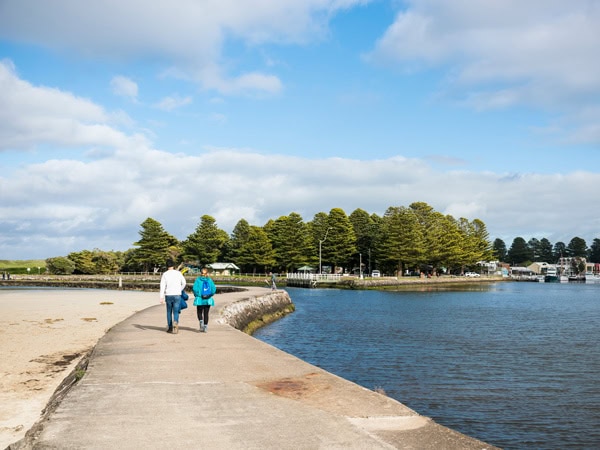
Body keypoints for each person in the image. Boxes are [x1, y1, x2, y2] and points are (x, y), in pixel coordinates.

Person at [159, 260, 186, 334]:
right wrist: (179, 290)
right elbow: (184, 283)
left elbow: (162, 286)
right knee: (176, 311)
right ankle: (176, 322)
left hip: (168, 295)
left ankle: (170, 327)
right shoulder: (178, 273)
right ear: (173, 265)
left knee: (169, 311)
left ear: (166, 266)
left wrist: (161, 297)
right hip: (177, 294)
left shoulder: (165, 274)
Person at [192, 267, 216, 333]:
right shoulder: (209, 280)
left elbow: (194, 289)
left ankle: (201, 322)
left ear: (201, 272)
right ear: (207, 273)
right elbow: (213, 289)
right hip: (208, 299)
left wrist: (197, 295)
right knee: (206, 313)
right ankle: (205, 327)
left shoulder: (198, 280)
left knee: (199, 312)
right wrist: (210, 295)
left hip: (200, 299)